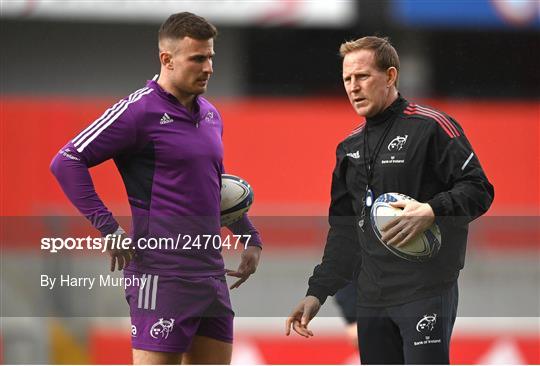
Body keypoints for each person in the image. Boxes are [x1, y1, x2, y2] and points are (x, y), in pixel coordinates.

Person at [51, 12, 262, 365]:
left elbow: (216, 188)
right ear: (167, 59)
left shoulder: (211, 114)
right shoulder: (137, 112)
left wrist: (249, 236)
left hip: (210, 274)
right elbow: (66, 160)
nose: (209, 67)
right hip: (160, 276)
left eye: (211, 57)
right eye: (198, 58)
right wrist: (107, 227)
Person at [286, 36, 494, 364]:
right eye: (347, 79)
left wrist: (431, 210)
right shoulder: (348, 148)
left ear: (391, 76)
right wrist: (317, 292)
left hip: (425, 291)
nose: (353, 87)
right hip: (372, 299)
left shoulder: (432, 127)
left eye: (363, 76)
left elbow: (480, 189)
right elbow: (343, 233)